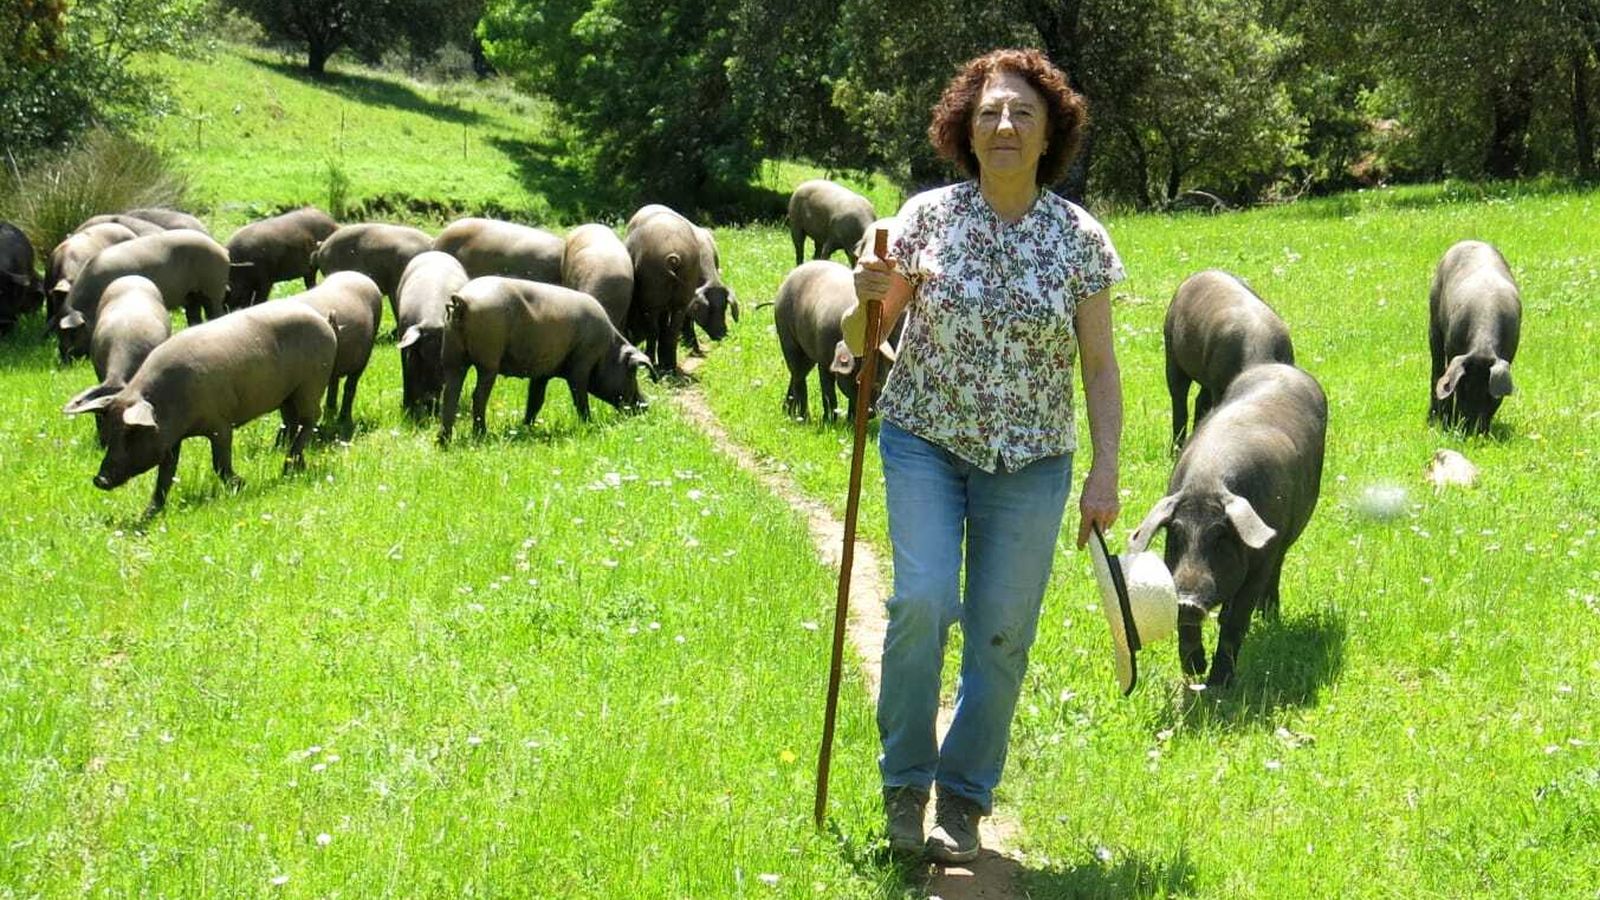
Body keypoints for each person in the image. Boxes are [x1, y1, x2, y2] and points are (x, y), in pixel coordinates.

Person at [842, 47, 1125, 863]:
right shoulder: (925, 219)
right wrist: (862, 299)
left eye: (1023, 114)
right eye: (990, 112)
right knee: (923, 601)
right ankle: (905, 786)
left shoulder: (1080, 241)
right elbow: (864, 341)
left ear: (1049, 136)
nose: (1005, 125)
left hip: (1033, 459)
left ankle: (962, 801)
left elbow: (1100, 367)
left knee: (1003, 632)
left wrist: (1105, 470)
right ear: (966, 129)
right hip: (925, 438)